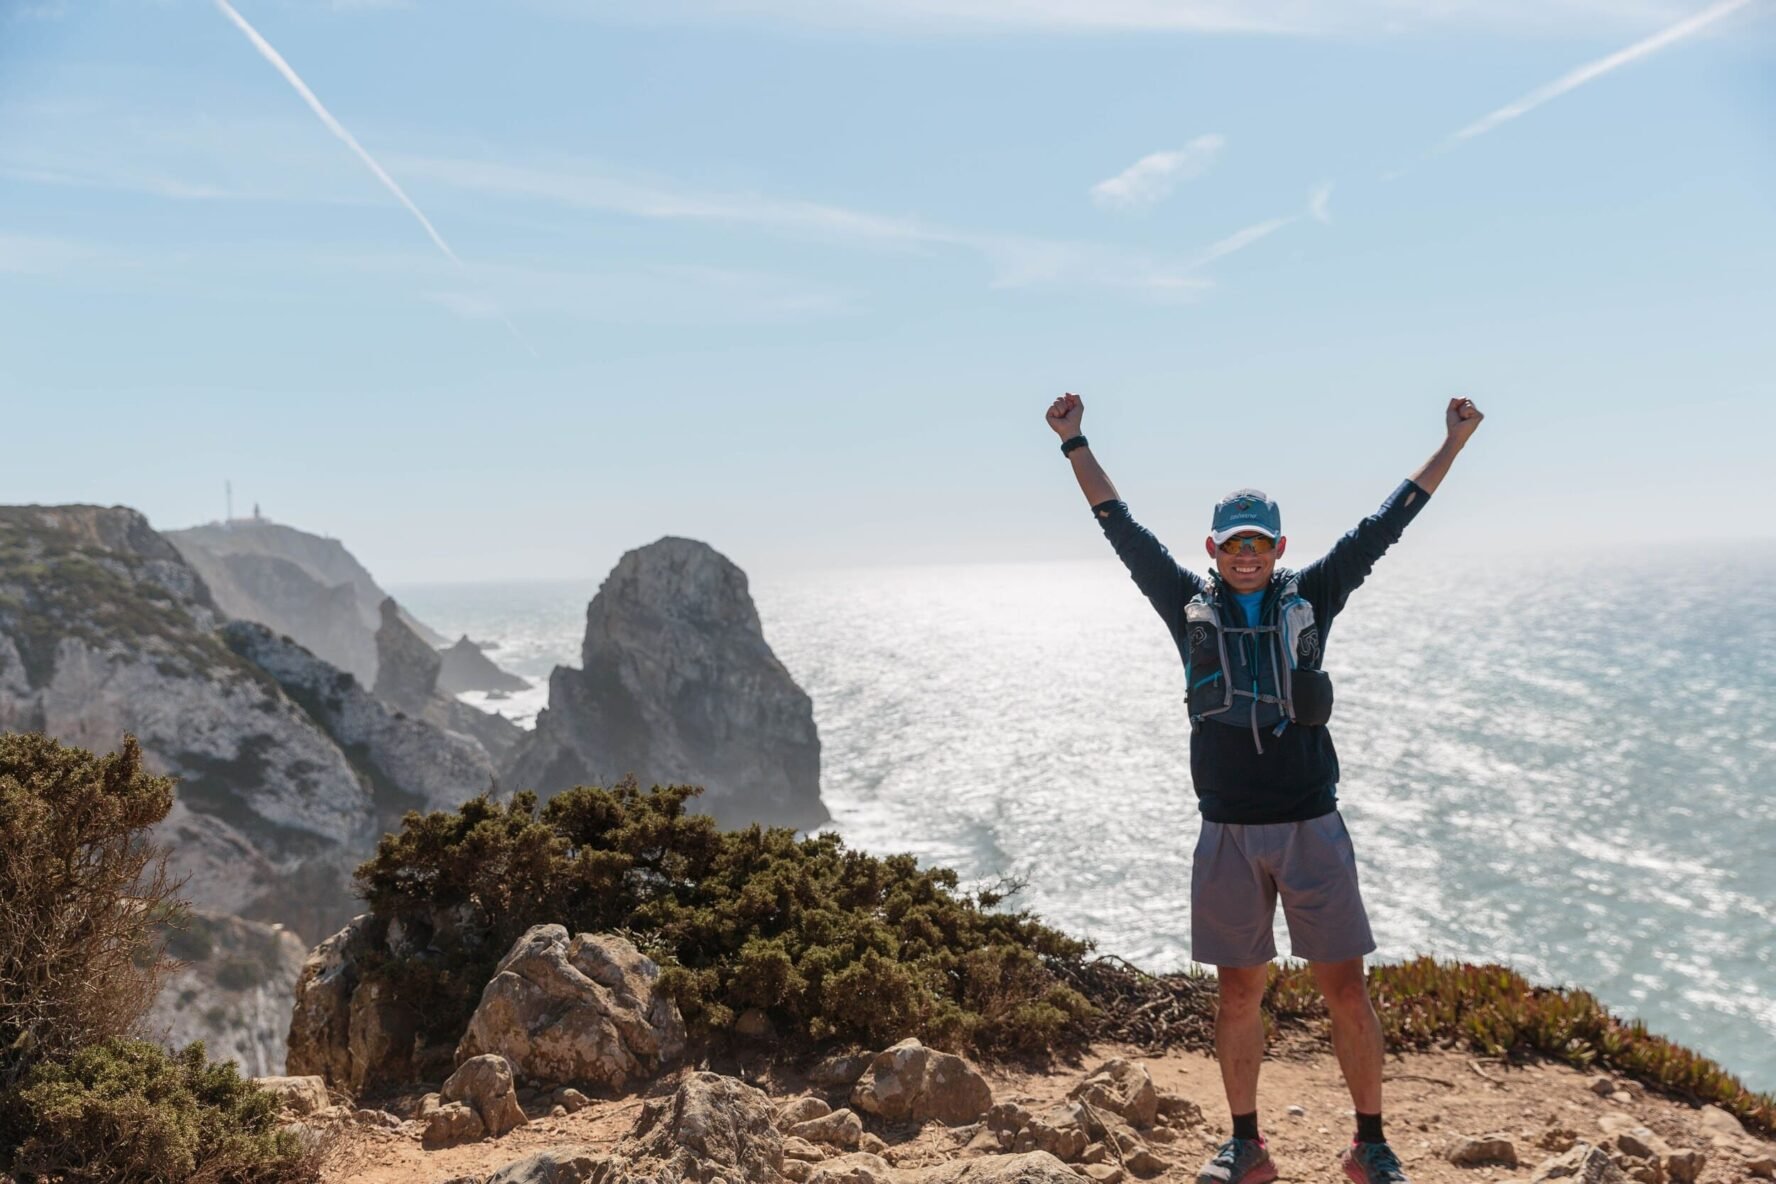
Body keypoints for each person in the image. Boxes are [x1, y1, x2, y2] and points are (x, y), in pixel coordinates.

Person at [1044, 392, 1484, 1184]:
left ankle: (1371, 1144)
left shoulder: (1313, 594)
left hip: (1311, 821)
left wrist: (1449, 443)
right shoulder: (1185, 605)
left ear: (1278, 547)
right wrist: (1076, 443)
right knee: (1238, 994)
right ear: (1213, 547)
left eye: (1259, 543)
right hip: (1227, 830)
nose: (1246, 555)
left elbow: (1388, 522)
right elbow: (1121, 528)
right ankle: (1246, 1144)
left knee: (1347, 992)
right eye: (1233, 543)